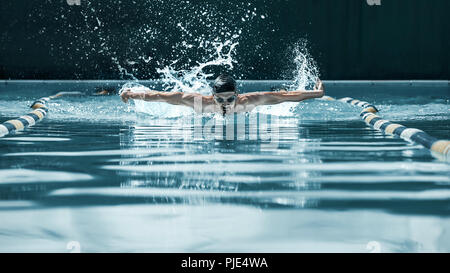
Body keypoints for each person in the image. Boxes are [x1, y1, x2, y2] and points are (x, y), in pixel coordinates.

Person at [120, 74, 324, 116]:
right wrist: (132, 94)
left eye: (230, 98)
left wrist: (316, 93)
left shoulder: (250, 101)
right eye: (220, 99)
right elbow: (160, 96)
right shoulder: (197, 102)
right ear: (212, 96)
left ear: (237, 94)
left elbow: (286, 97)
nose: (225, 103)